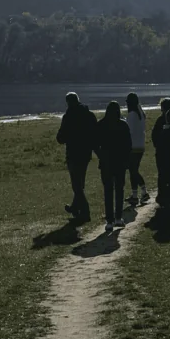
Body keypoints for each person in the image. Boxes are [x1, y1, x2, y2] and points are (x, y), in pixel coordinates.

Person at [57, 92, 97, 220]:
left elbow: (60, 138)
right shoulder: (89, 115)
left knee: (76, 184)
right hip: (85, 153)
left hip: (73, 153)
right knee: (80, 182)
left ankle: (85, 212)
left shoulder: (68, 116)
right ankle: (75, 207)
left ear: (68, 102)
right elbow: (94, 134)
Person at [95, 101, 132, 234]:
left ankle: (109, 220)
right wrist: (127, 160)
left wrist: (100, 155)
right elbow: (128, 145)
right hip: (120, 162)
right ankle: (118, 217)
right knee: (119, 190)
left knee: (108, 191)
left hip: (106, 162)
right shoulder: (123, 125)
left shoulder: (100, 125)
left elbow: (95, 143)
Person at [126, 92, 149, 205]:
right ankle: (137, 194)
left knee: (133, 171)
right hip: (140, 145)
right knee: (134, 170)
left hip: (133, 146)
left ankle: (141, 193)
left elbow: (129, 131)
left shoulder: (132, 114)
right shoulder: (140, 113)